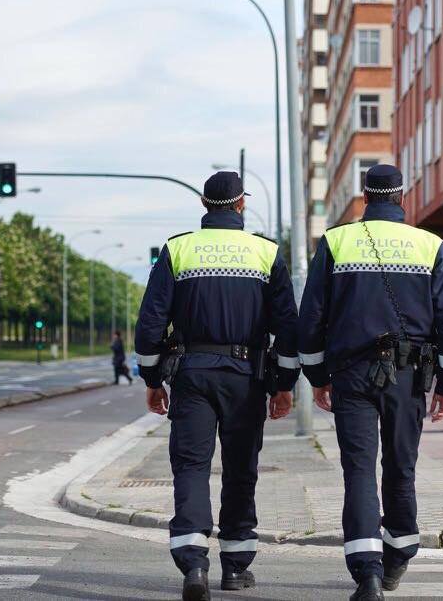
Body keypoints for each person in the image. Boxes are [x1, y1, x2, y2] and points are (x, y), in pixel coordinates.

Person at [298, 164, 443, 601]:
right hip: (408, 377)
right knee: (400, 467)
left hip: (351, 375)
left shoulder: (336, 242)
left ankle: (367, 574)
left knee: (358, 470)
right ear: (401, 197)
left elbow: (311, 316)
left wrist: (317, 376)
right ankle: (397, 558)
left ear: (364, 197)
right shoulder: (429, 246)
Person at [134, 171, 300, 601]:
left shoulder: (178, 249)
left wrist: (152, 380)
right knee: (241, 468)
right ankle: (236, 567)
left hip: (191, 375)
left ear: (204, 205)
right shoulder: (265, 252)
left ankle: (193, 563)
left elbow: (151, 323)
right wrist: (284, 385)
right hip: (247, 377)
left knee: (191, 466)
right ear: (241, 204)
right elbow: (288, 326)